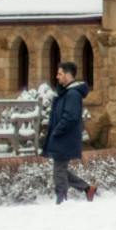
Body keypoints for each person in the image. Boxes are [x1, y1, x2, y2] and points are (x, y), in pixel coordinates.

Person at [42, 61, 98, 204]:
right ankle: (87, 189)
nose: (57, 77)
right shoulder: (65, 93)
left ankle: (61, 201)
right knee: (60, 169)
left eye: (60, 74)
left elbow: (70, 117)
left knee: (59, 171)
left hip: (65, 138)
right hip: (61, 137)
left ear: (67, 75)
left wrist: (57, 130)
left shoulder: (72, 94)